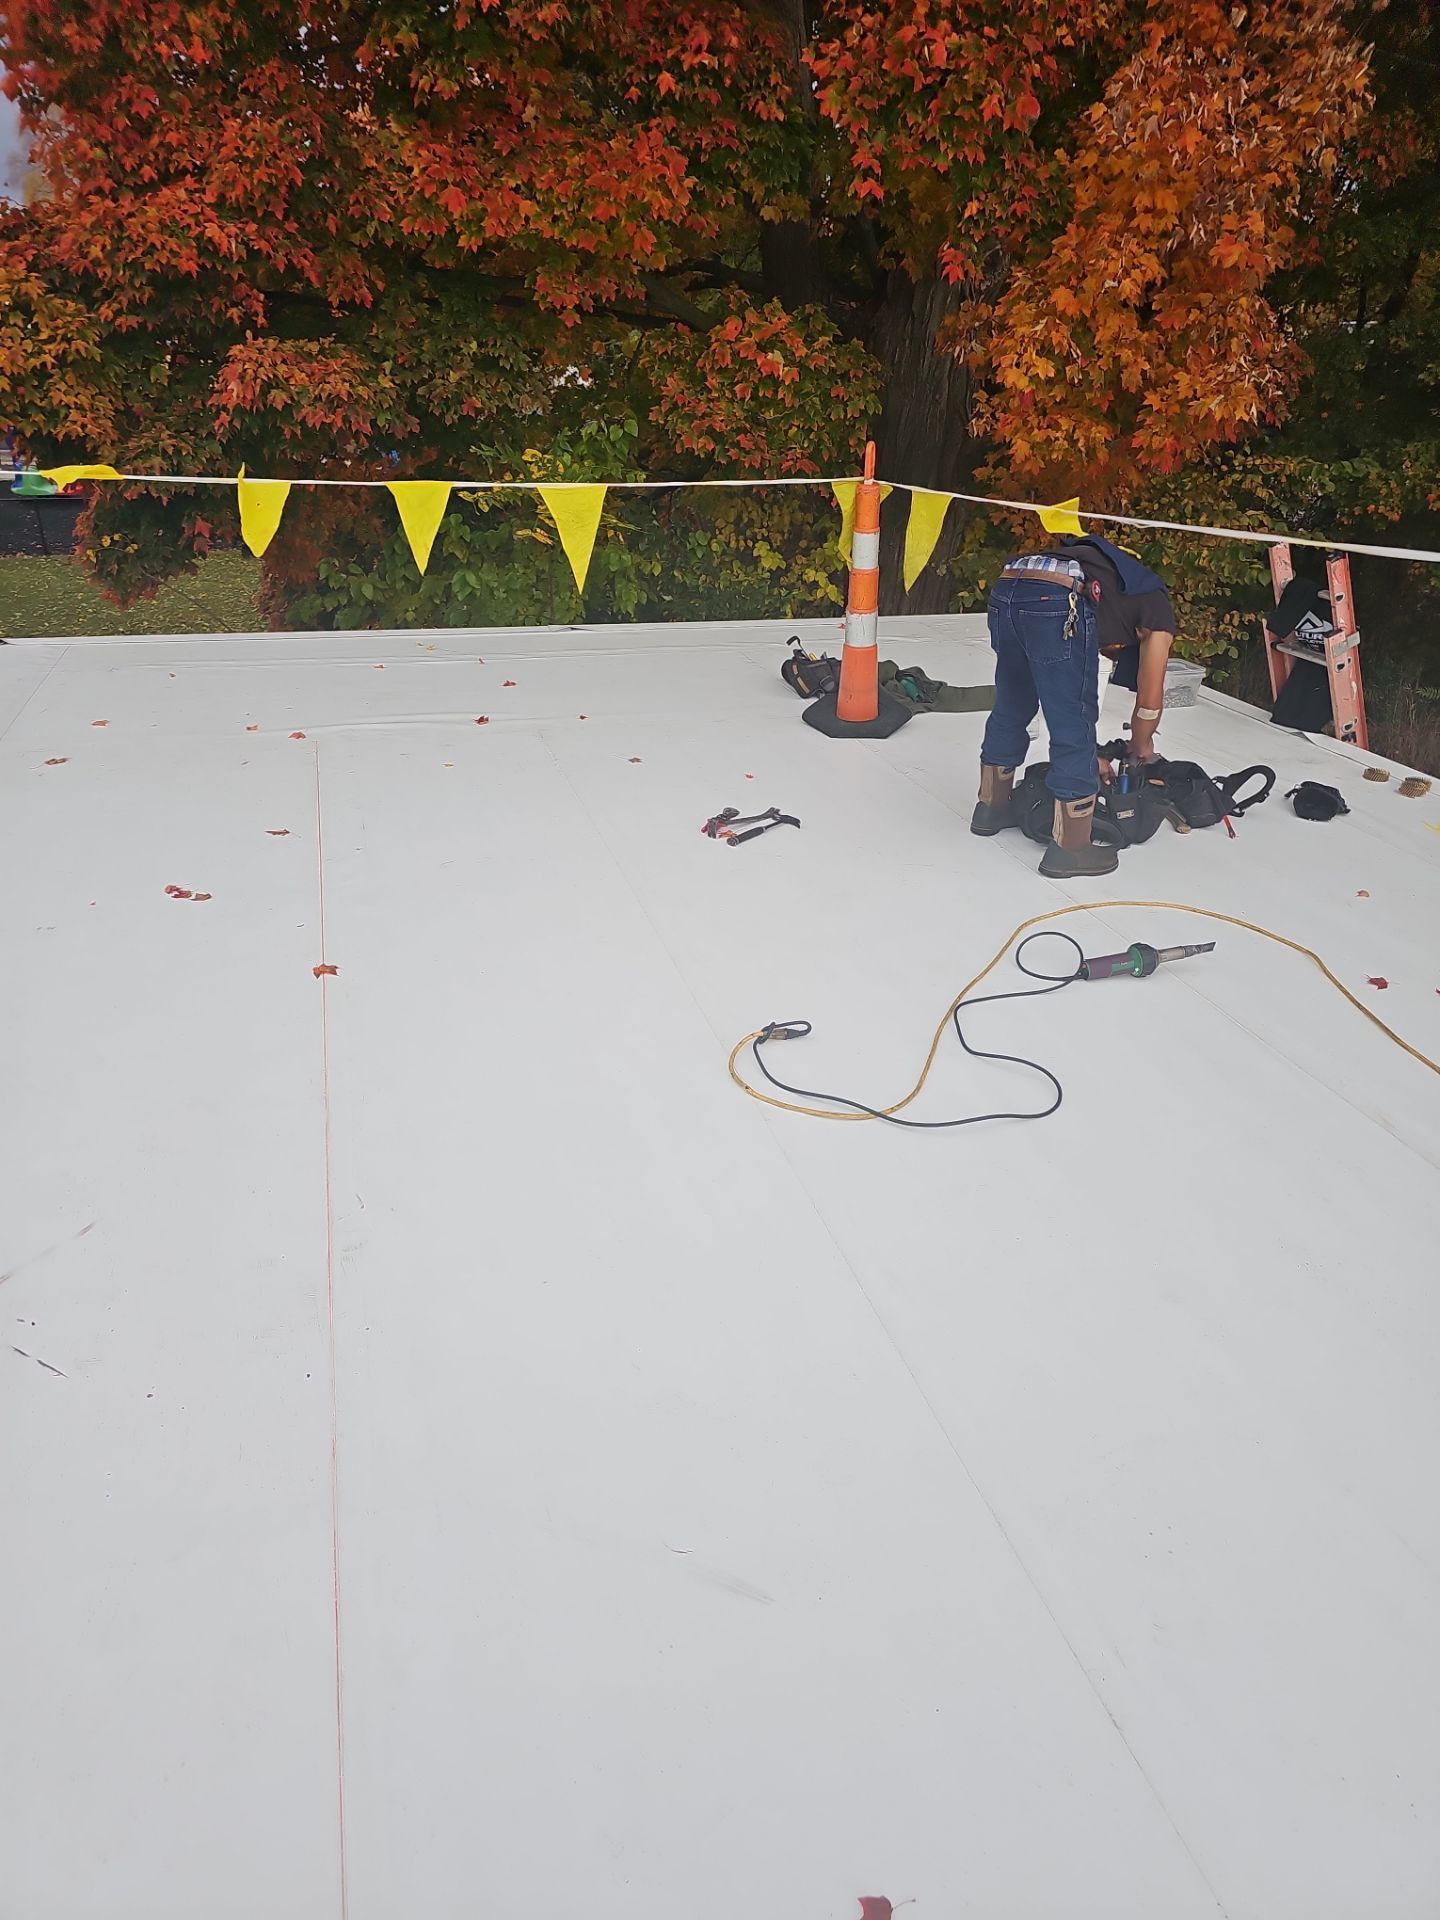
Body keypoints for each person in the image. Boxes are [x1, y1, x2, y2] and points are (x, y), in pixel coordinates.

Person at [970, 533, 1177, 877]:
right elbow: (1149, 702)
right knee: (1074, 716)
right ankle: (1071, 848)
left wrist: (1092, 757)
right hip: (1058, 595)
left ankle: (991, 808)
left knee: (1013, 700)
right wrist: (1142, 743)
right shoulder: (1158, 610)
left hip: (1008, 586)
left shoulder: (1115, 583)